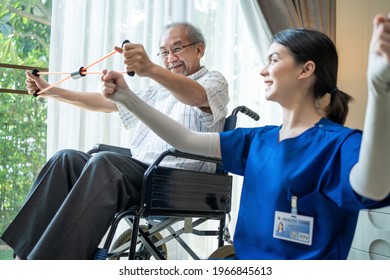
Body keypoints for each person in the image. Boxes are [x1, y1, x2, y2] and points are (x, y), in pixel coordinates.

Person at [100, 14, 390, 259]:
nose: (264, 70)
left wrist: (380, 91)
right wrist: (127, 98)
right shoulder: (258, 140)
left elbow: (373, 189)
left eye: (274, 60)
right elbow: (185, 141)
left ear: (306, 69)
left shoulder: (338, 144)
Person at [0, 22, 230, 259]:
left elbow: (197, 96)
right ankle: (21, 257)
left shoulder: (213, 81)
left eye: (177, 48)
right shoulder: (157, 91)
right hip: (142, 173)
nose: (170, 58)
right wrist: (51, 91)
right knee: (66, 159)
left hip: (180, 182)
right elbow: (106, 103)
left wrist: (150, 68)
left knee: (104, 163)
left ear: (199, 50)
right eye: (164, 52)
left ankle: (46, 265)